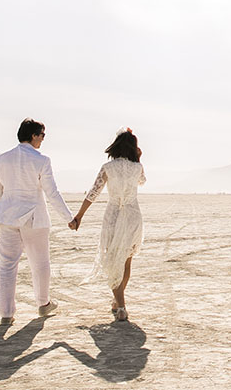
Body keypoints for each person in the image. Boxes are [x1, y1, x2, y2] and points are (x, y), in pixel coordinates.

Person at [0, 118, 75, 325]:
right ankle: (43, 304)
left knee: (7, 265)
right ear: (34, 135)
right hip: (34, 218)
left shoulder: (0, 159)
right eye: (42, 135)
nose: (43, 140)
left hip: (8, 216)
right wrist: (69, 218)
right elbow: (52, 192)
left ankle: (6, 313)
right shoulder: (41, 160)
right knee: (40, 263)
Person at [69, 128, 146, 321]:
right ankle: (117, 301)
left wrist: (79, 216)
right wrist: (138, 159)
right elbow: (142, 181)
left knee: (112, 260)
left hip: (113, 215)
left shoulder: (107, 168)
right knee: (126, 260)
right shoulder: (137, 168)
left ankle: (121, 306)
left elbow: (93, 194)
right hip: (132, 216)